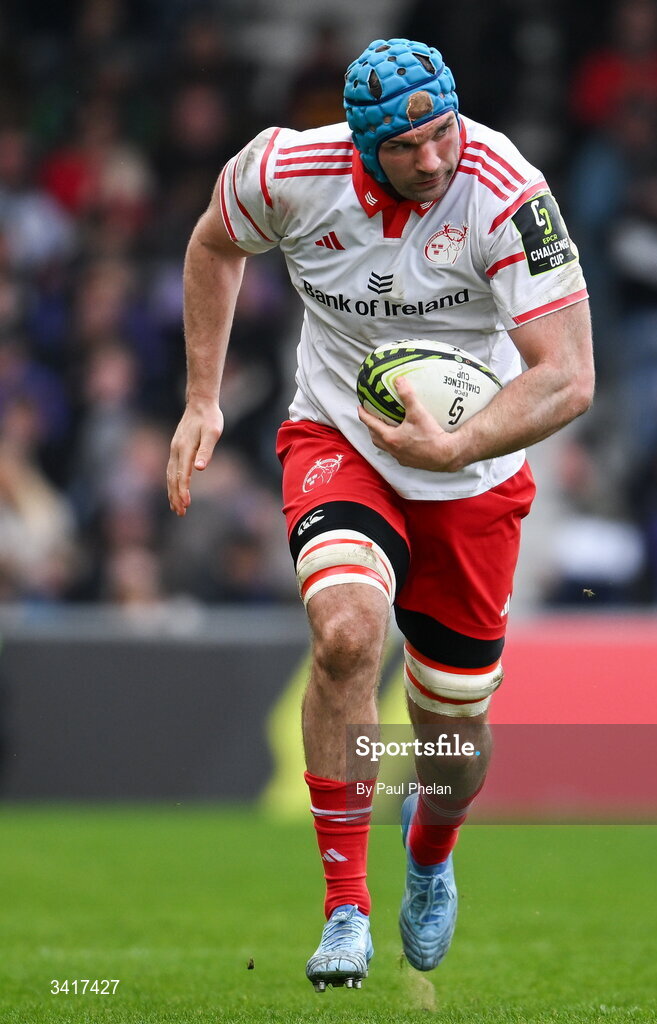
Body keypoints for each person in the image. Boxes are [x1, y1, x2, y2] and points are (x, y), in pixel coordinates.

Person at [166, 37, 594, 991]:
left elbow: (567, 376)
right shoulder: (284, 169)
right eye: (406, 147)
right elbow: (212, 243)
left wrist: (454, 444)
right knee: (347, 634)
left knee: (451, 737)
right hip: (339, 439)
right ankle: (345, 908)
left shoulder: (506, 192)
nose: (433, 160)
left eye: (441, 133)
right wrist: (203, 397)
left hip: (471, 469)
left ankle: (431, 853)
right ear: (360, 143)